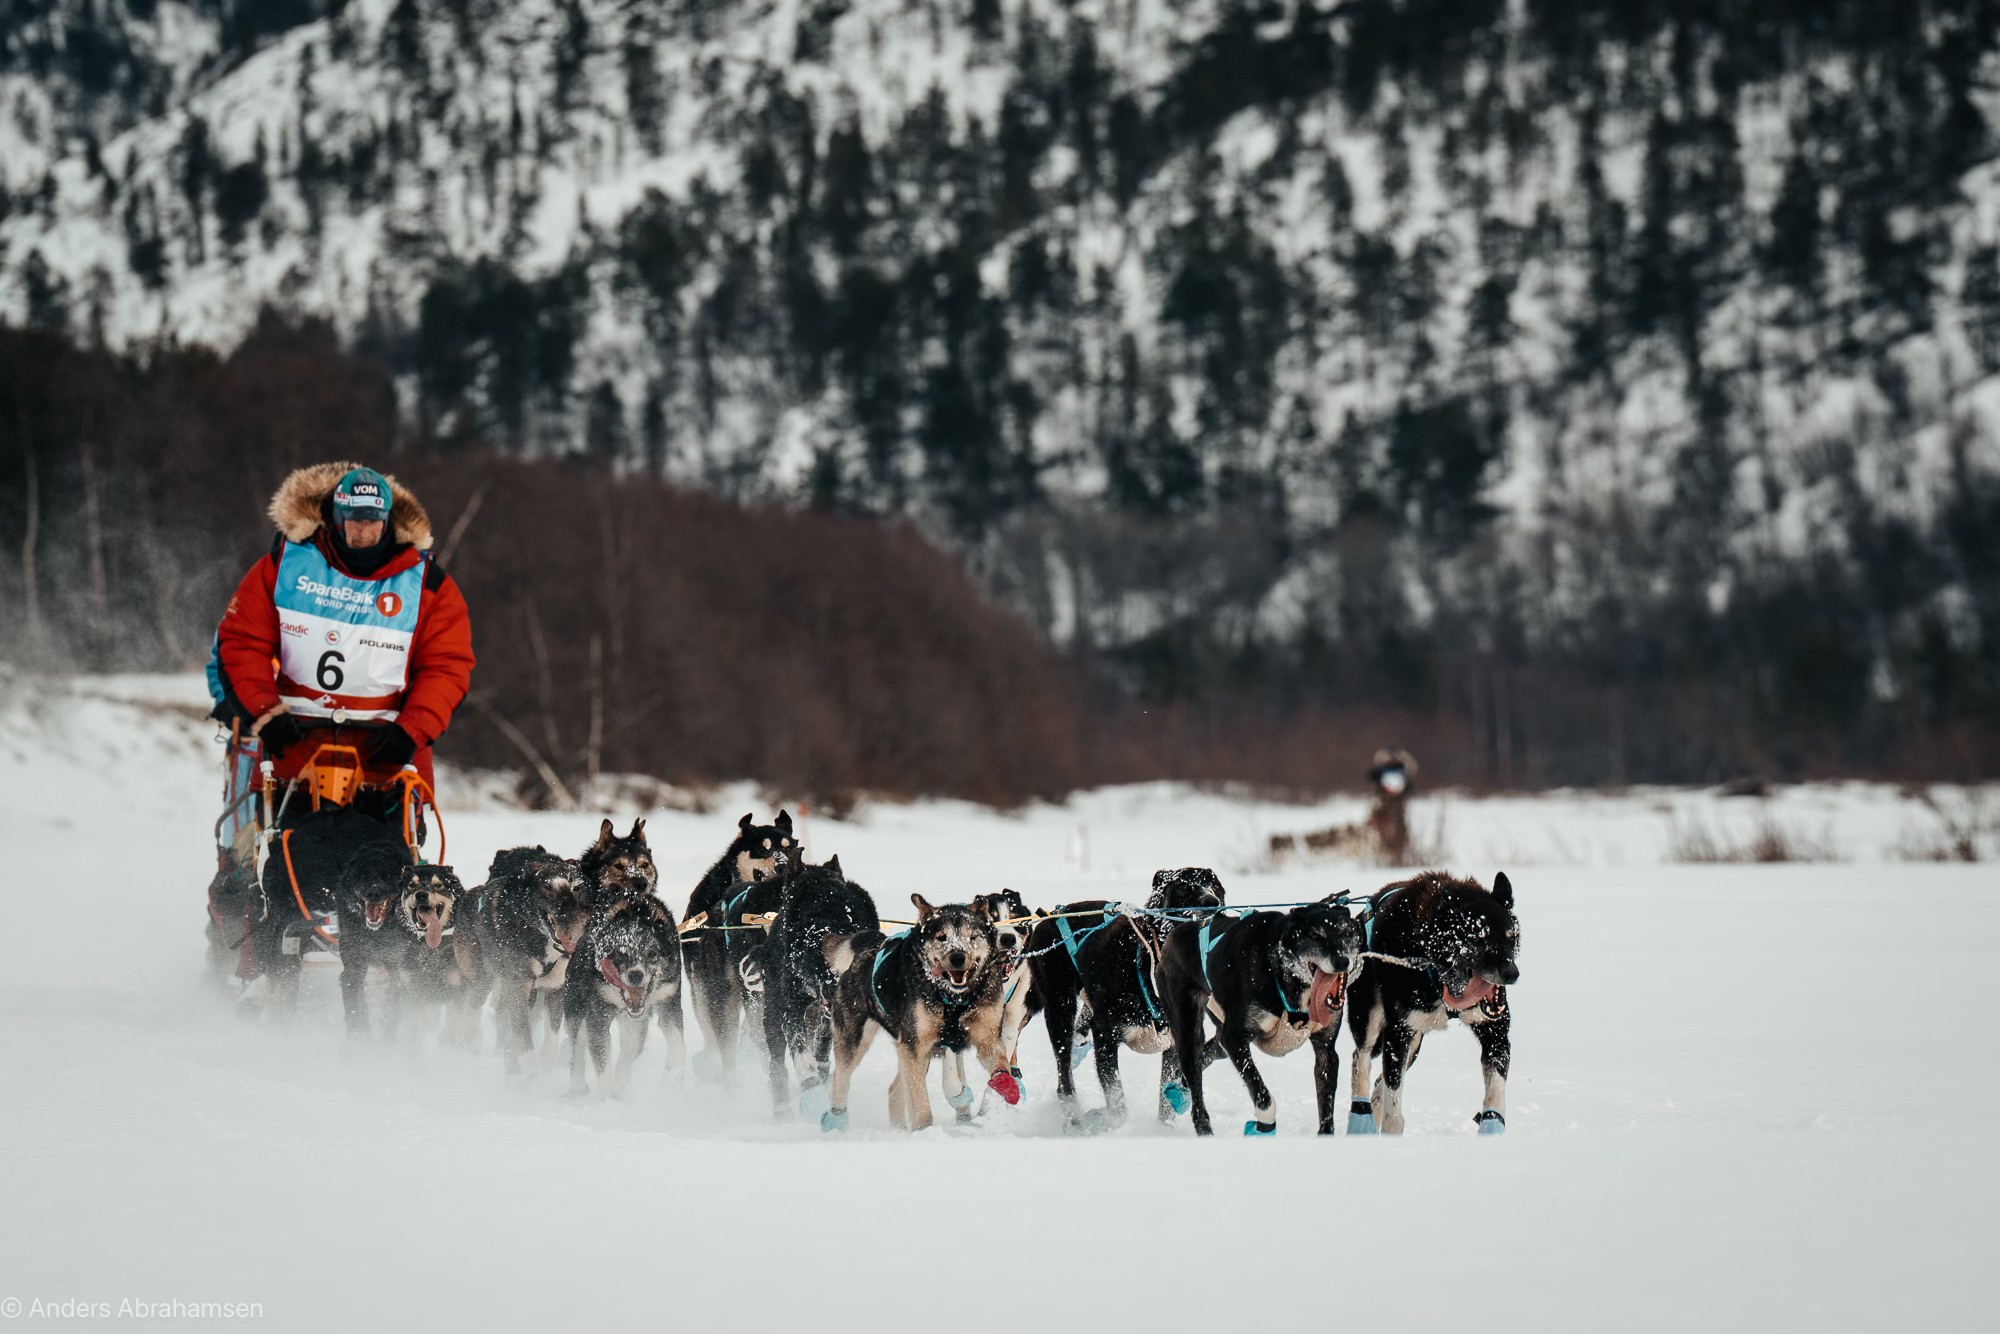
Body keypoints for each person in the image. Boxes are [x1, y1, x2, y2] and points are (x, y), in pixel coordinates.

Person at [212, 463, 474, 803]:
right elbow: (240, 642)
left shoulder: (429, 585)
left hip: (389, 763)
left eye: (373, 522)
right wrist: (265, 713)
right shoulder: (283, 567)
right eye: (355, 521)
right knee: (286, 852)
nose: (364, 532)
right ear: (337, 518)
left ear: (388, 521)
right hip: (293, 756)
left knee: (392, 856)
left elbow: (447, 667)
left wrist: (412, 731)